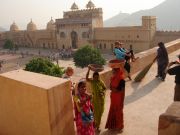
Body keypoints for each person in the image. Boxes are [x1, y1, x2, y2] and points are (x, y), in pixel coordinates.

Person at [86, 66, 106, 132]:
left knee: (100, 112)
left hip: (101, 100)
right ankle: (97, 126)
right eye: (95, 77)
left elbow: (104, 88)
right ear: (93, 77)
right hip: (95, 100)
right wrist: (88, 70)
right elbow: (86, 78)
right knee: (96, 113)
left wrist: (103, 92)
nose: (96, 78)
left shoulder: (100, 82)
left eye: (97, 77)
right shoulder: (92, 81)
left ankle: (96, 124)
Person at [105, 67, 125, 132]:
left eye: (114, 71)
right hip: (113, 97)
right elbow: (110, 87)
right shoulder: (113, 78)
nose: (112, 72)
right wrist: (113, 89)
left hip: (118, 98)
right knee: (113, 110)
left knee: (118, 112)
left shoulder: (121, 80)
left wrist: (114, 90)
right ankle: (112, 125)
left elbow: (122, 91)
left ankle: (120, 126)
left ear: (117, 71)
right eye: (112, 71)